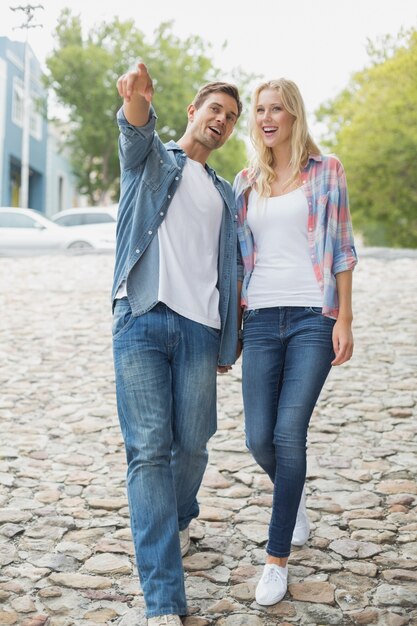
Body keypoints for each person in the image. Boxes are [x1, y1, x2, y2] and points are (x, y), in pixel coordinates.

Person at [112, 62, 242, 625]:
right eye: (215, 109)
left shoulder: (223, 194)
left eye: (232, 118)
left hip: (198, 328)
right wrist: (137, 99)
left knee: (192, 443)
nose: (222, 121)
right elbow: (135, 126)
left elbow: (231, 272)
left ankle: (179, 514)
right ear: (193, 111)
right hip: (140, 316)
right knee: (148, 451)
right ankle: (163, 602)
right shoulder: (153, 160)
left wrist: (227, 342)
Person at [234, 78, 357, 606]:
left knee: (288, 434)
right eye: (259, 109)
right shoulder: (244, 181)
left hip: (312, 315)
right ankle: (294, 492)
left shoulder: (326, 171)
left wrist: (344, 317)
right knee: (259, 439)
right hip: (260, 319)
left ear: (293, 116)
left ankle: (276, 559)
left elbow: (345, 249)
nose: (266, 117)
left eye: (275, 109)